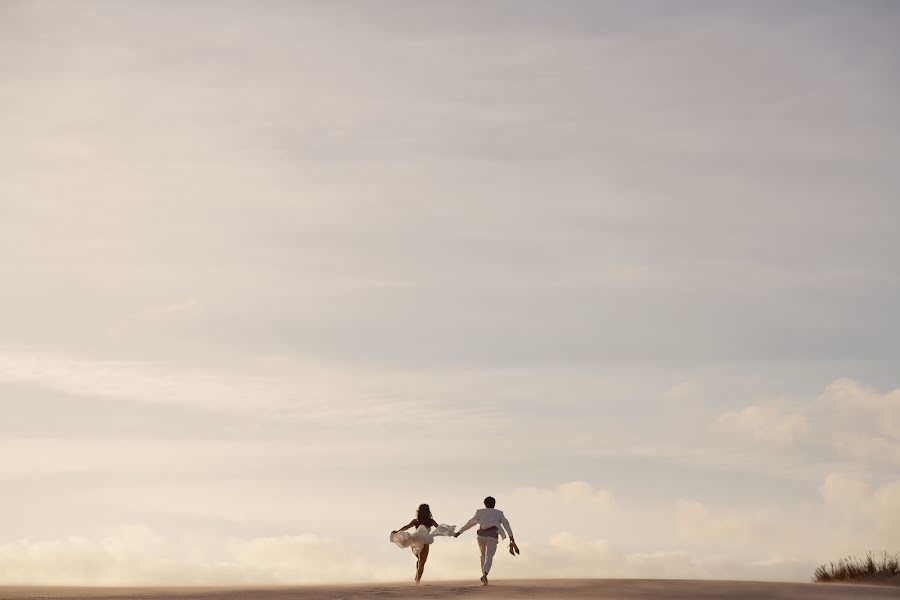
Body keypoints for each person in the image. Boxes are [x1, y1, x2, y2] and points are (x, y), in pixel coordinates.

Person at [454, 496, 515, 586]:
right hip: (492, 537)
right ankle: (485, 574)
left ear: (485, 504)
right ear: (494, 504)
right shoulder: (499, 513)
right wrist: (511, 538)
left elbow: (470, 523)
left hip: (481, 536)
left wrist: (460, 532)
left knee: (483, 556)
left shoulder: (480, 512)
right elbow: (506, 525)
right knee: (489, 557)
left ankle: (484, 575)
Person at [390, 503, 455, 584]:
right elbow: (440, 528)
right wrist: (451, 533)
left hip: (414, 541)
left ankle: (416, 577)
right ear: (428, 511)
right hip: (424, 541)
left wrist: (397, 531)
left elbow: (406, 527)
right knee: (422, 562)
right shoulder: (430, 521)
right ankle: (417, 581)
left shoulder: (416, 521)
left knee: (419, 560)